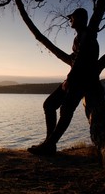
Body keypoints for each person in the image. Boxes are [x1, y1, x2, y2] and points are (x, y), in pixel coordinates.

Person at [28, 8, 100, 156]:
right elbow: (75, 58)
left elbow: (81, 61)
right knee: (49, 105)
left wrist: (69, 79)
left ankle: (49, 145)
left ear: (79, 19)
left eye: (72, 18)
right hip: (76, 78)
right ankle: (49, 144)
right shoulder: (80, 37)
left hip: (82, 81)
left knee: (65, 110)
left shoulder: (87, 36)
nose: (70, 20)